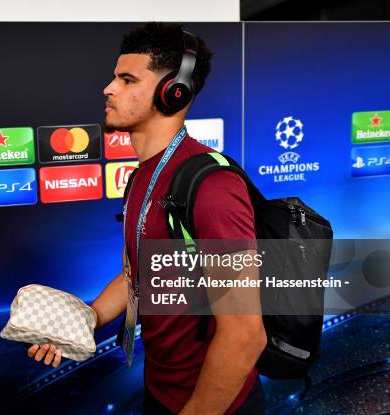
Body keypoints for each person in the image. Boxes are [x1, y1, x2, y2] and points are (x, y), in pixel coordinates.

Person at [27, 22, 267, 415]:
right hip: (160, 392)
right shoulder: (141, 176)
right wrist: (85, 320)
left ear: (174, 92)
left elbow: (244, 335)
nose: (108, 88)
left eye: (126, 79)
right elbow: (138, 272)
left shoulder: (211, 186)